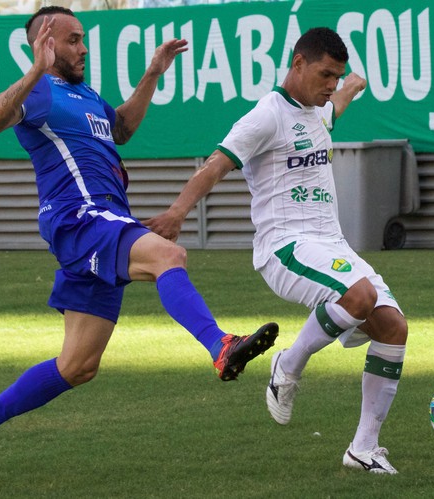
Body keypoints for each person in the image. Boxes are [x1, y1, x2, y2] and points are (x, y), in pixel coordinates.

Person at [0, 6, 278, 488]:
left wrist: (151, 75)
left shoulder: (83, 95)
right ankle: (220, 345)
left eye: (84, 40)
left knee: (78, 366)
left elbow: (121, 128)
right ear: (45, 42)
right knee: (170, 255)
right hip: (80, 219)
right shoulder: (38, 90)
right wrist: (36, 69)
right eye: (74, 40)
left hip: (100, 221)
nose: (83, 48)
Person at [145, 27, 408, 475]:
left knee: (393, 329)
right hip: (286, 246)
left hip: (332, 244)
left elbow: (332, 111)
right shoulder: (266, 116)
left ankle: (363, 448)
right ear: (298, 64)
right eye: (325, 75)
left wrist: (349, 89)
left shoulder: (318, 110)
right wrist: (176, 213)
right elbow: (216, 165)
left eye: (336, 77)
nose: (330, 86)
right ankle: (287, 365)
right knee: (359, 297)